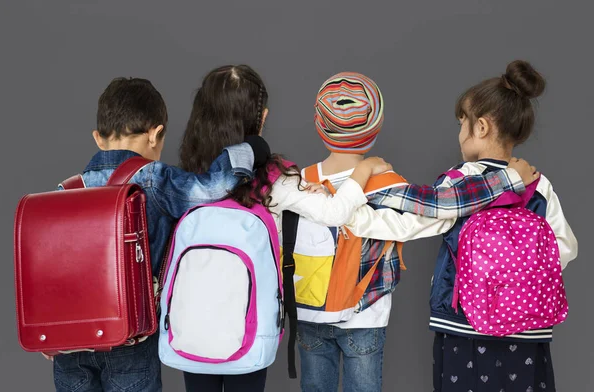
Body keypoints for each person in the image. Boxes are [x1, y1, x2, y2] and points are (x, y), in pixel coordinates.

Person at [177, 65, 537, 392]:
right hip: (366, 315)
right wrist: (505, 179)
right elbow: (442, 211)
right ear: (375, 129)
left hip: (308, 313)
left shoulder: (296, 181)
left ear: (320, 126)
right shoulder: (385, 183)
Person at [50, 77, 271, 392]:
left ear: (98, 138)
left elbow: (53, 270)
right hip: (131, 340)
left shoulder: (66, 191)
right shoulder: (152, 179)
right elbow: (213, 187)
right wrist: (248, 150)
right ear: (156, 134)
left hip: (71, 345)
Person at [427, 60, 578, 392]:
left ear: (480, 127)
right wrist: (517, 278)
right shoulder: (538, 184)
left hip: (463, 323)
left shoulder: (459, 181)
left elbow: (425, 221)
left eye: (461, 122)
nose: (459, 133)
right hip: (526, 322)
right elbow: (565, 248)